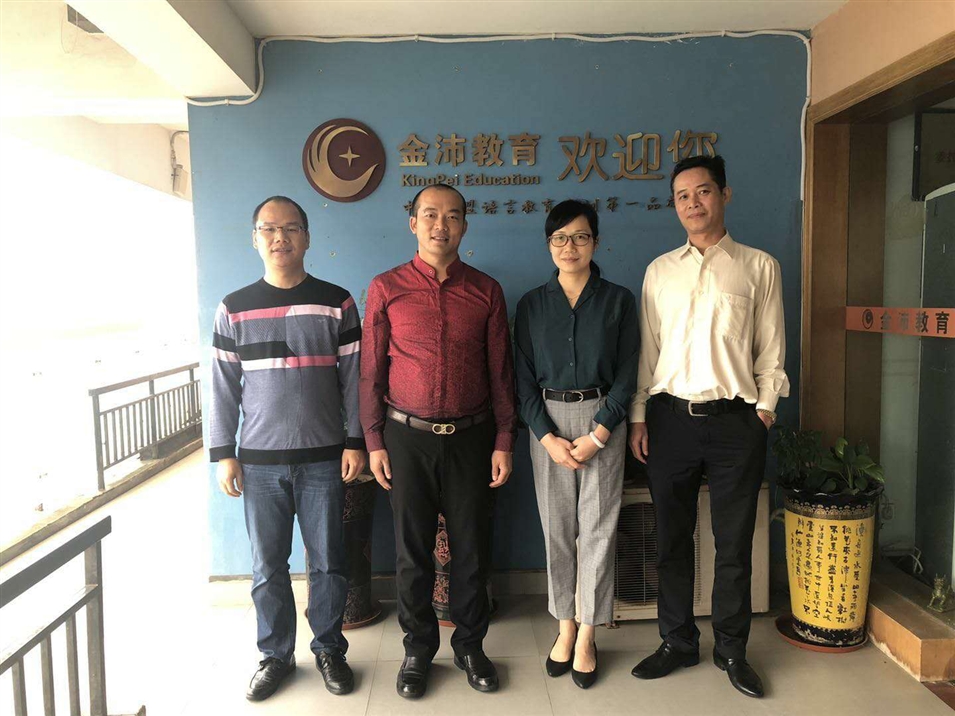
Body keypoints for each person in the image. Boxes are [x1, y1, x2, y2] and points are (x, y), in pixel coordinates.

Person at [628, 156, 789, 698]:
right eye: (682, 195)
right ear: (674, 205)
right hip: (669, 420)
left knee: (734, 544)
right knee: (671, 540)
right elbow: (648, 352)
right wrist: (639, 417)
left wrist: (763, 411)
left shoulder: (759, 266)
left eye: (702, 191)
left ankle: (732, 649)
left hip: (736, 423)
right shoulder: (659, 271)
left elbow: (771, 348)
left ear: (724, 194)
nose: (692, 203)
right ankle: (676, 641)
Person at [360, 184, 518, 699]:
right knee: (412, 554)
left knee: (472, 549)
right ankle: (418, 649)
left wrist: (504, 438)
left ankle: (470, 646)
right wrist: (374, 440)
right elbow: (371, 373)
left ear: (464, 226)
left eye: (452, 216)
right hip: (406, 438)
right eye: (430, 215)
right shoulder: (386, 288)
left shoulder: (487, 291)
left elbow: (501, 372)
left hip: (473, 438)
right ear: (413, 223)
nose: (440, 225)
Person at [209, 196, 367, 701]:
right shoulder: (233, 307)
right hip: (258, 463)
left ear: (307, 236)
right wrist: (223, 452)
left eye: (291, 228)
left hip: (324, 457)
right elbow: (222, 385)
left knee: (328, 562)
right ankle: (275, 655)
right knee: (267, 566)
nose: (281, 238)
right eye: (269, 229)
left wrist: (356, 441)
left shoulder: (337, 302)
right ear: (255, 238)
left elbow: (355, 380)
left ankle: (329, 649)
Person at [514, 199, 639, 689]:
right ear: (549, 245)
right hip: (547, 421)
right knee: (557, 530)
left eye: (581, 237)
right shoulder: (532, 304)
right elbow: (522, 378)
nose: (570, 247)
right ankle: (564, 626)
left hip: (603, 417)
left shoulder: (618, 300)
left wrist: (600, 432)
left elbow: (629, 371)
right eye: (560, 238)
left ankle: (588, 633)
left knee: (599, 531)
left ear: (596, 242)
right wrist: (546, 437)